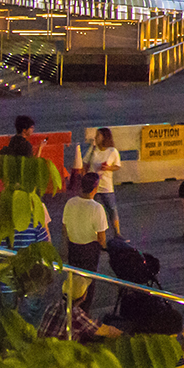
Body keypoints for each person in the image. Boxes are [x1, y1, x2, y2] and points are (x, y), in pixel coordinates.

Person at [61, 173, 109, 308]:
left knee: (74, 282)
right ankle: (83, 312)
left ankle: (71, 309)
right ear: (95, 188)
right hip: (89, 250)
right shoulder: (97, 208)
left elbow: (64, 229)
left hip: (73, 248)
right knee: (87, 284)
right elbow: (101, 238)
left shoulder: (70, 203)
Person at [38, 273, 122, 343]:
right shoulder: (76, 314)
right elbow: (102, 330)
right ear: (84, 296)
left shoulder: (53, 305)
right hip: (58, 356)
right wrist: (124, 335)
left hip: (40, 350)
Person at [87, 127, 122, 237]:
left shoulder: (112, 151)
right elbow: (85, 163)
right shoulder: (93, 150)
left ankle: (117, 232)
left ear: (104, 137)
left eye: (98, 135)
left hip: (106, 185)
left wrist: (108, 168)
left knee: (111, 209)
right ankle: (94, 233)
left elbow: (117, 166)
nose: (96, 138)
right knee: (92, 209)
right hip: (93, 185)